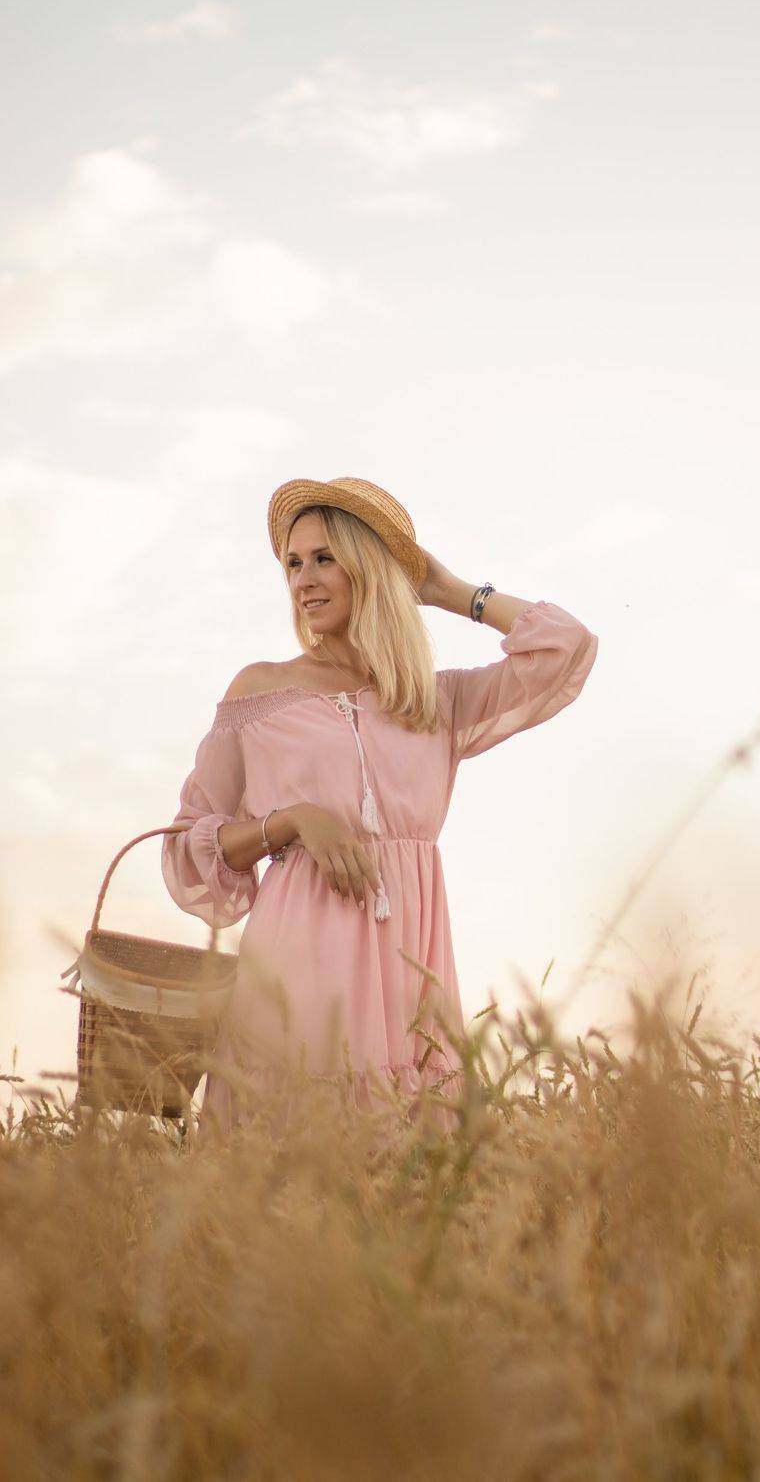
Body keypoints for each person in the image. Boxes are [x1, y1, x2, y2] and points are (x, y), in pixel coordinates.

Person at [161, 476, 599, 1140]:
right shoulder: (259, 693)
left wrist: (448, 590)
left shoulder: (433, 702)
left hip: (410, 968)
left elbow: (567, 647)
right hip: (297, 963)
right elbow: (189, 843)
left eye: (324, 558)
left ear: (369, 568)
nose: (304, 580)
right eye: (293, 563)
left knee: (408, 1172)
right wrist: (290, 821)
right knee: (290, 1168)